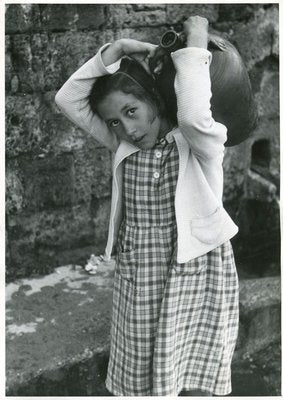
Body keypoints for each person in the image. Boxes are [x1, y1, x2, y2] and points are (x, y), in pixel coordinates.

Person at [55, 15, 239, 397]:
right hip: (140, 273)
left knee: (184, 367)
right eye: (114, 122)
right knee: (140, 372)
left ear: (152, 99)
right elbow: (66, 99)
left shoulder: (199, 143)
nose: (127, 128)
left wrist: (197, 40)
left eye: (131, 111)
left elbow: (190, 112)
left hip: (193, 269)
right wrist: (117, 50)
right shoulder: (122, 145)